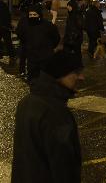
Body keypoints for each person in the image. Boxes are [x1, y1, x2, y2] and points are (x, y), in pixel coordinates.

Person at [12, 49, 84, 183]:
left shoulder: (27, 102)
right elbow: (63, 167)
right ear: (60, 74)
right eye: (76, 72)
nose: (81, 77)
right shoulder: (55, 113)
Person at [18, 5, 60, 81]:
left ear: (39, 15)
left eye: (34, 14)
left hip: (45, 58)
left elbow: (56, 38)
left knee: (45, 79)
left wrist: (49, 48)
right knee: (33, 79)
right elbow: (22, 37)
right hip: (32, 59)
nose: (32, 16)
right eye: (30, 15)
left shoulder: (48, 25)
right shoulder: (26, 25)